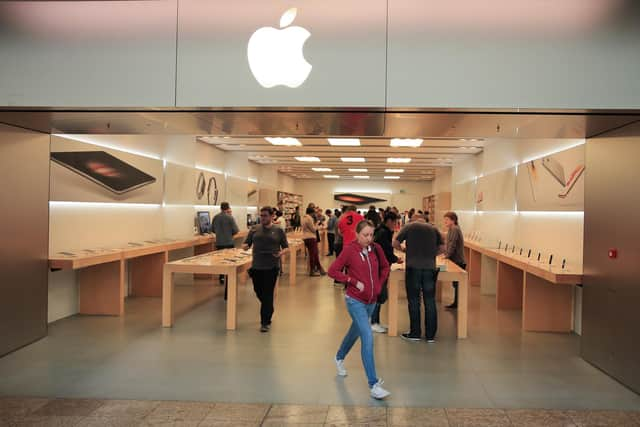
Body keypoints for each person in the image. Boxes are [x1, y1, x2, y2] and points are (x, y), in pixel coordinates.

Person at [328, 220, 391, 400]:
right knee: (367, 336)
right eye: (365, 235)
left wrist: (378, 285)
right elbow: (332, 271)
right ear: (357, 234)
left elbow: (385, 266)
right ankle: (373, 384)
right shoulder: (349, 250)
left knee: (355, 332)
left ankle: (339, 357)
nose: (369, 238)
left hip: (371, 301)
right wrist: (352, 281)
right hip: (354, 300)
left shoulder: (376, 248)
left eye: (371, 235)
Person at [393, 213, 444, 342]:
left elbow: (395, 242)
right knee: (430, 300)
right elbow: (443, 248)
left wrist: (405, 251)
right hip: (430, 269)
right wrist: (432, 254)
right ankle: (430, 336)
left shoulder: (409, 227)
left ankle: (415, 333)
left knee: (414, 300)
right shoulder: (434, 229)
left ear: (413, 220)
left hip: (413, 268)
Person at [242, 206, 289, 332]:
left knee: (268, 294)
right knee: (258, 291)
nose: (262, 218)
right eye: (261, 215)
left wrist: (281, 253)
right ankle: (269, 308)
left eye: (265, 216)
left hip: (272, 266)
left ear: (272, 216)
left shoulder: (278, 230)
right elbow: (247, 243)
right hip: (257, 266)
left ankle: (265, 322)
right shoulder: (254, 229)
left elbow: (285, 247)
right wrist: (245, 246)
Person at [371, 211, 403, 333]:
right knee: (379, 294)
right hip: (379, 267)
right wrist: (395, 259)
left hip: (380, 266)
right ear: (389, 221)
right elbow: (385, 251)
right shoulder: (383, 233)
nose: (395, 225)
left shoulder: (382, 231)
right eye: (395, 222)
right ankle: (373, 322)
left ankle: (376, 321)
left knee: (380, 294)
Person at [212, 202, 240, 300]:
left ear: (220, 208)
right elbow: (236, 230)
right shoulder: (230, 218)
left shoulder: (215, 217)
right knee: (229, 261)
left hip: (219, 242)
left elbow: (213, 229)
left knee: (220, 261)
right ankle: (228, 278)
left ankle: (221, 277)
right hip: (229, 242)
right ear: (228, 208)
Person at [443, 211, 466, 310]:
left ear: (453, 220)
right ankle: (456, 303)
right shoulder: (451, 229)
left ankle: (458, 304)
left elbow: (452, 244)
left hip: (458, 260)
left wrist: (447, 255)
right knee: (456, 284)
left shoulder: (455, 229)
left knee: (458, 284)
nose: (445, 222)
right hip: (455, 259)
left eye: (447, 220)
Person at [302, 206, 326, 276]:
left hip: (306, 237)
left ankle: (320, 269)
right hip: (311, 237)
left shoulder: (303, 218)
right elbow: (313, 229)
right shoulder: (309, 218)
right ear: (311, 213)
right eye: (314, 213)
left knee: (314, 254)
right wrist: (318, 226)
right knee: (313, 255)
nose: (314, 214)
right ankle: (312, 271)